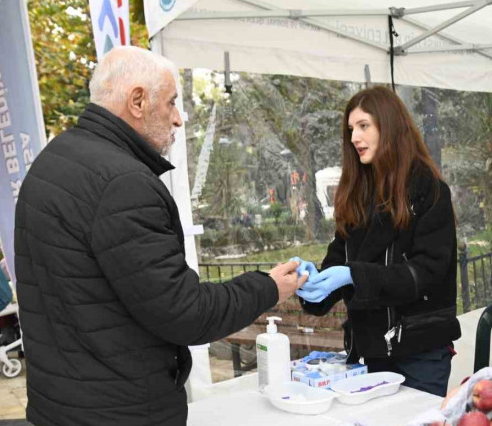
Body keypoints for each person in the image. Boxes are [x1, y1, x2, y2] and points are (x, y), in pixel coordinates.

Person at [15, 46, 306, 426]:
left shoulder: (54, 159)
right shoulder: (124, 184)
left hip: (60, 403)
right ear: (137, 101)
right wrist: (267, 287)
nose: (179, 119)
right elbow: (186, 314)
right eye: (171, 103)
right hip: (120, 411)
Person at [292, 86, 461, 397]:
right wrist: (310, 283)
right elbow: (337, 260)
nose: (354, 137)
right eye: (351, 129)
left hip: (420, 353)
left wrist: (353, 275)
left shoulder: (430, 191)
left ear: (390, 125)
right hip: (367, 354)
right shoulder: (356, 195)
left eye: (364, 126)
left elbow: (426, 272)